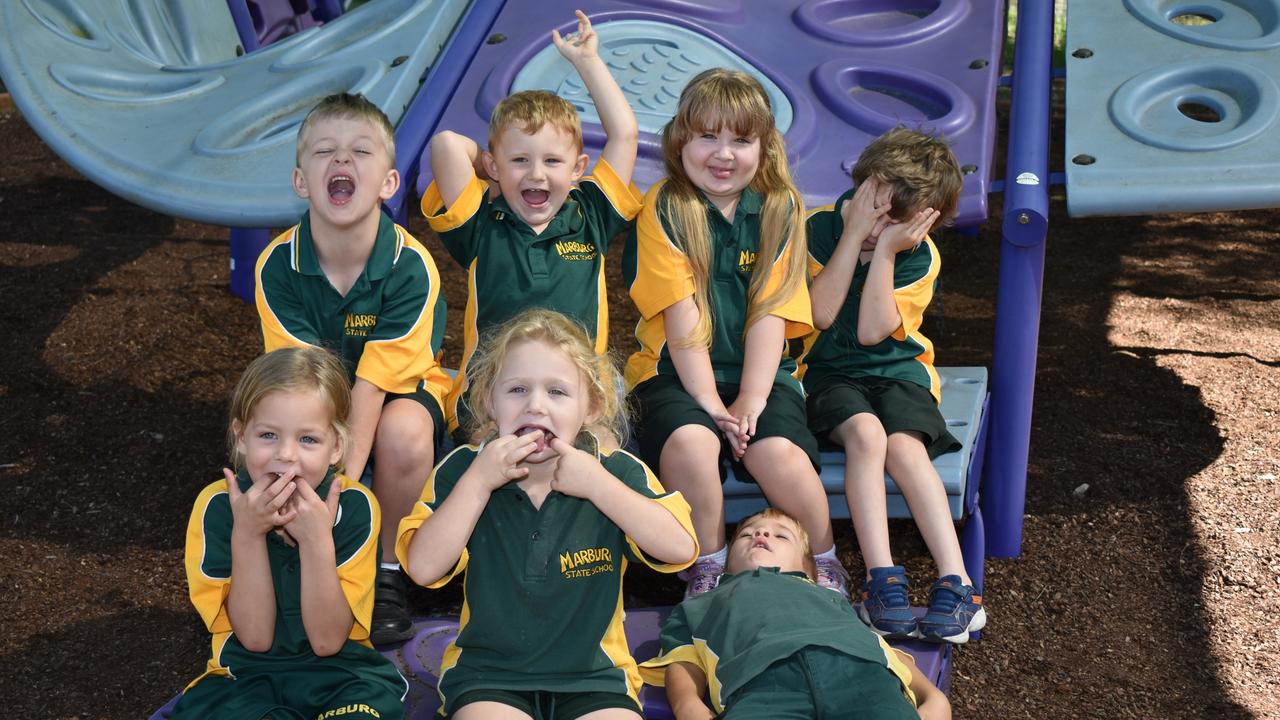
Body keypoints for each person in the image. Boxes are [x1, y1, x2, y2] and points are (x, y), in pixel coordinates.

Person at [396, 309, 698, 719]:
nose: (535, 406)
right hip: (489, 677)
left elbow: (680, 547)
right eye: (517, 389)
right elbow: (423, 567)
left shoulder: (616, 471)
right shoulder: (464, 471)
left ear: (590, 407)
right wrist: (479, 483)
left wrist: (597, 485)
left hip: (596, 679)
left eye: (557, 392)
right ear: (489, 399)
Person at [623, 67, 846, 599]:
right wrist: (711, 404)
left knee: (779, 456)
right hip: (677, 372)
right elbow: (683, 320)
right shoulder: (667, 207)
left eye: (741, 140)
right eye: (708, 136)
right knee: (691, 445)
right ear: (681, 141)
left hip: (762, 373)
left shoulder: (779, 208)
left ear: (764, 148)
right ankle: (709, 562)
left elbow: (771, 311)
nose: (723, 154)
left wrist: (750, 398)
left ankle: (824, 559)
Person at [254, 92, 451, 643]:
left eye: (360, 151)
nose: (341, 161)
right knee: (279, 430)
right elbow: (298, 383)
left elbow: (371, 386)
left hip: (393, 394)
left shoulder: (411, 266)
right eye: (324, 152)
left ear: (388, 183)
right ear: (300, 181)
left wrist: (337, 488)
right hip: (314, 396)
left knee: (405, 432)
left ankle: (388, 568)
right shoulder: (278, 266)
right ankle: (305, 554)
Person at [422, 10, 642, 445]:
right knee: (486, 455)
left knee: (603, 451)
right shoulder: (482, 225)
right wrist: (491, 177)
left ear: (579, 169)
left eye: (552, 161)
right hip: (493, 393)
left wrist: (588, 63)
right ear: (493, 166)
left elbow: (625, 135)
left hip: (581, 391)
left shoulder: (590, 215)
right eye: (519, 160)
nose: (536, 174)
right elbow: (447, 145)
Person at [802, 126, 982, 643]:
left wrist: (881, 254)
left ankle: (958, 581)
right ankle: (883, 582)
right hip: (828, 373)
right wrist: (855, 237)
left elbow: (872, 330)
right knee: (867, 437)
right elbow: (820, 314)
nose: (883, 225)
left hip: (899, 370)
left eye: (898, 222)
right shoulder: (815, 229)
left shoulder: (919, 254)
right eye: (875, 207)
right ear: (862, 185)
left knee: (905, 448)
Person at [173, 346, 407, 720]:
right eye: (268, 435)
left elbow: (329, 641)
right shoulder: (216, 508)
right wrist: (247, 534)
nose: (286, 454)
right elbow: (255, 638)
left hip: (342, 674)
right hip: (245, 676)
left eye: (308, 439)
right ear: (241, 437)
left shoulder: (357, 506)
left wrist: (316, 540)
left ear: (337, 447)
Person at [639, 508, 951, 720]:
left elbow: (874, 647)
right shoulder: (700, 604)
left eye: (780, 535)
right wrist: (687, 705)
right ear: (725, 564)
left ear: (809, 570)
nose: (761, 533)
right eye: (747, 534)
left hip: (858, 674)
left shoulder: (828, 598)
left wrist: (932, 697)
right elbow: (682, 661)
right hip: (761, 684)